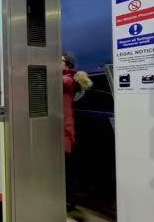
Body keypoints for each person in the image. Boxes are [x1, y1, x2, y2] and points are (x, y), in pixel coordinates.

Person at [62, 53, 92, 212]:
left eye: (59, 59)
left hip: (64, 131)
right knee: (65, 168)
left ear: (68, 64)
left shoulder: (67, 80)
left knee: (65, 169)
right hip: (62, 129)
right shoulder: (68, 79)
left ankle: (68, 201)